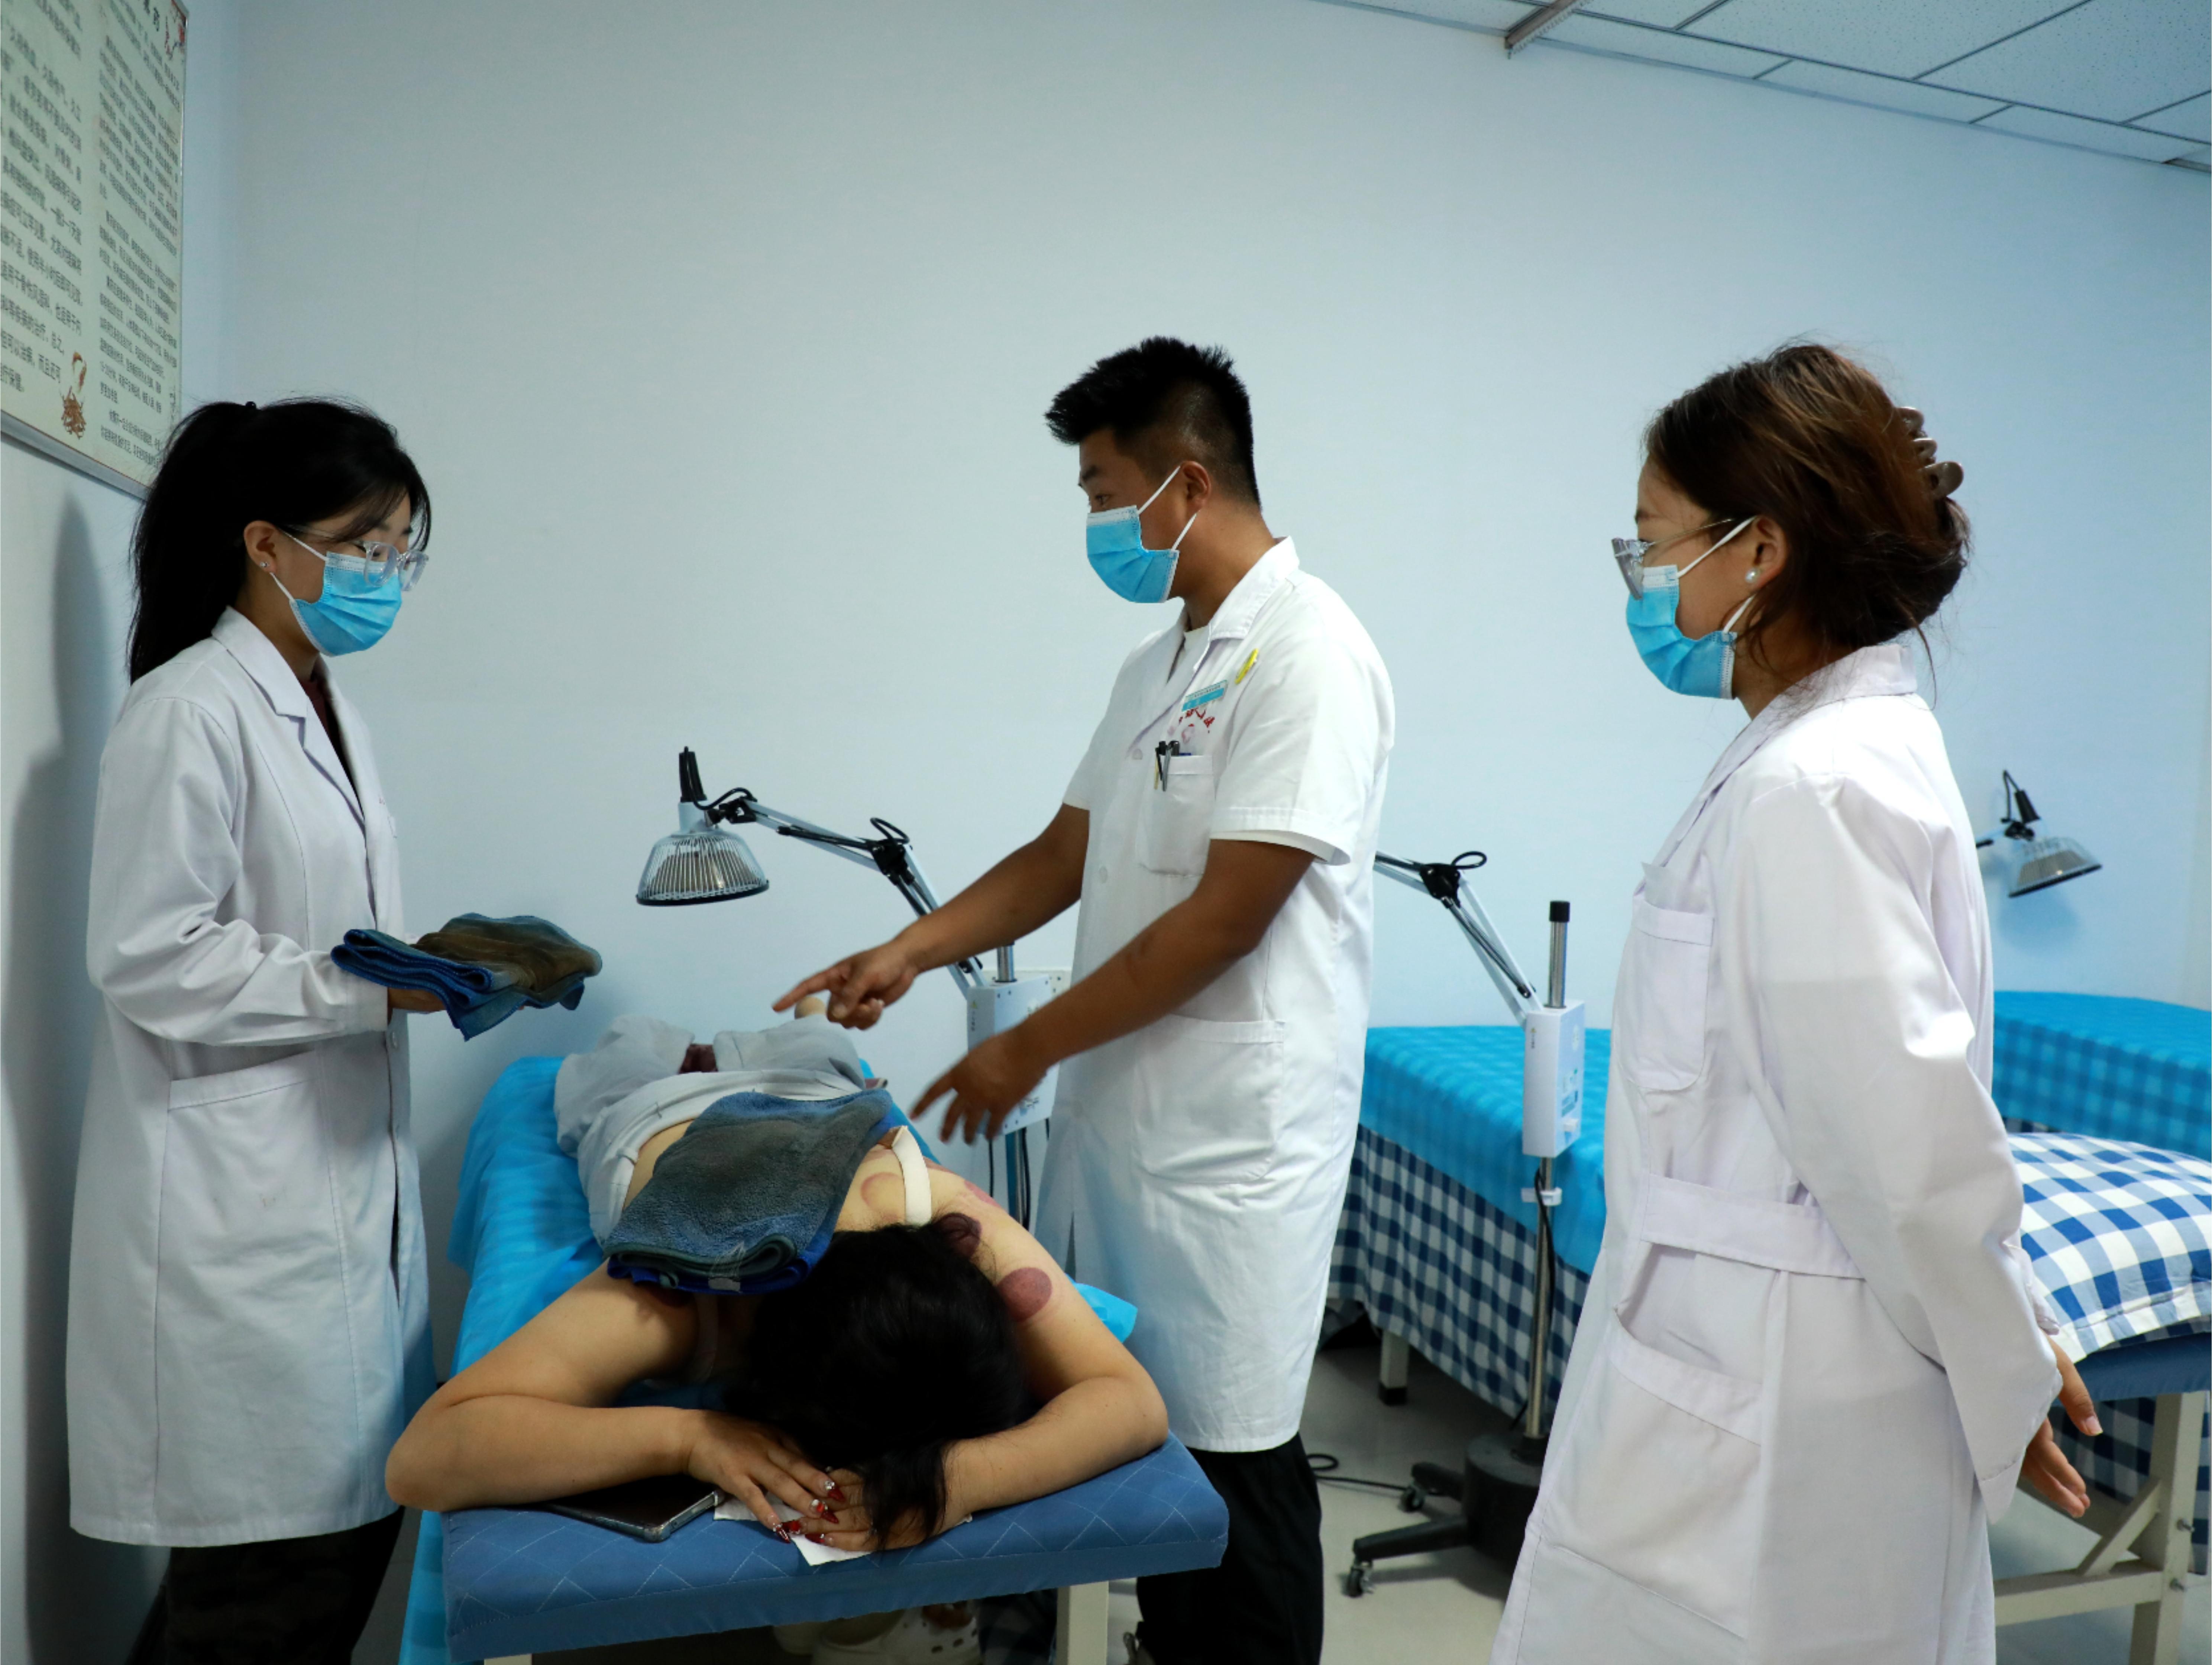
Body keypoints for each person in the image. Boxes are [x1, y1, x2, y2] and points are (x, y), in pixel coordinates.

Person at [779, 338, 1394, 1665]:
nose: (1099, 526)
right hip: (1131, 1127)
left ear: (1189, 482)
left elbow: (1229, 917)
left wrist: (1028, 1049)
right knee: (1143, 1445)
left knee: (1236, 1467)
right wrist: (909, 951)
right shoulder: (1159, 665)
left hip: (1233, 1153)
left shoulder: (1310, 654)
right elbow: (1065, 854)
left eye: (1106, 493)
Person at [1489, 345, 2098, 1664]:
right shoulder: (1815, 753)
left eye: (1652, 543)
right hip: (1741, 1354)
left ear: (1757, 551)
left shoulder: (1815, 784)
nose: (1642, 579)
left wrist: (2003, 1359)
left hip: (1788, 1387)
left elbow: (1901, 1149)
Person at [67, 399, 443, 1665]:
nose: (385, 574)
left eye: (400, 550)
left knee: (302, 1580)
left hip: (327, 1186)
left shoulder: (321, 700)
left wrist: (431, 971)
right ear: (266, 544)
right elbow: (146, 952)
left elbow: (319, 921)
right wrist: (368, 990)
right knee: (268, 1598)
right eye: (364, 546)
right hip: (240, 1221)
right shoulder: (189, 708)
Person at [382, 1001, 1168, 1562]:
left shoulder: (945, 1216)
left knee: (821, 1038)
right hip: (652, 1111)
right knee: (627, 1044)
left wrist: (955, 1479)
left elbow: (1132, 1403)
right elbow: (425, 1456)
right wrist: (688, 1437)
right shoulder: (683, 1285)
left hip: (822, 1099)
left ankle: (795, 1028)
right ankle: (653, 1033)